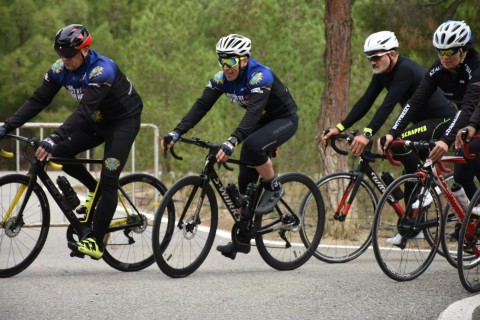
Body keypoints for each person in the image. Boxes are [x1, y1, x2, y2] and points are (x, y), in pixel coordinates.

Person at [0, 24, 143, 259]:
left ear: (84, 51)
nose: (63, 59)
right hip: (96, 120)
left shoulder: (102, 70)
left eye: (68, 54)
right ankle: (92, 189)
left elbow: (84, 110)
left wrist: (53, 137)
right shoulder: (59, 69)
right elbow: (38, 100)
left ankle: (96, 242)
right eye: (59, 53)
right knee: (59, 154)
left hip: (122, 123)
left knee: (108, 178)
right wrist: (8, 125)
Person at [161, 34, 298, 260]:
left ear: (244, 60)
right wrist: (177, 131)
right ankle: (242, 239)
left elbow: (254, 113)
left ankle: (274, 186)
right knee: (245, 179)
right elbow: (201, 106)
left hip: (284, 120)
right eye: (221, 61)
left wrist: (232, 140)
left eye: (231, 61)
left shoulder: (260, 75)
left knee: (252, 146)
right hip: (260, 122)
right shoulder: (222, 78)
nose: (226, 67)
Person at [323, 31, 455, 175]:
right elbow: (366, 101)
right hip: (422, 122)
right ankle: (424, 186)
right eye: (370, 58)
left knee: (397, 145)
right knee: (410, 180)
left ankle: (424, 180)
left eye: (376, 57)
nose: (373, 62)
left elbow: (387, 105)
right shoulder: (382, 72)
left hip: (441, 120)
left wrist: (367, 134)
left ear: (391, 54)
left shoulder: (405, 70)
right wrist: (340, 127)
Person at [381, 20, 480, 200]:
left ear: (464, 50)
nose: (444, 56)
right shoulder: (439, 67)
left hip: (474, 118)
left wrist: (445, 140)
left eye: (450, 51)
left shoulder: (475, 67)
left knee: (473, 155)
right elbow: (415, 101)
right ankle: (473, 224)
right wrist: (393, 132)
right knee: (461, 178)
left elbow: (468, 108)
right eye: (440, 51)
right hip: (469, 123)